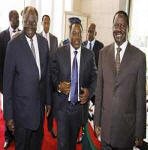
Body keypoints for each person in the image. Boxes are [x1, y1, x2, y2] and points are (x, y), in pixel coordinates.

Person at [94, 10, 146, 150]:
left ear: (128, 29)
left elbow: (140, 99)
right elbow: (99, 91)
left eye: (123, 26)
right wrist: (97, 122)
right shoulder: (103, 54)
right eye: (116, 25)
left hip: (126, 132)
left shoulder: (139, 57)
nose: (119, 29)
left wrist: (139, 133)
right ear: (112, 27)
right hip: (105, 129)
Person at [3, 6, 51, 150]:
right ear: (22, 20)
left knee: (36, 145)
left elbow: (46, 75)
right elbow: (7, 84)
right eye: (27, 21)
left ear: (38, 23)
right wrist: (9, 116)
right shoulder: (13, 45)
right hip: (21, 114)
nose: (30, 25)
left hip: (39, 112)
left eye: (33, 21)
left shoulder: (43, 43)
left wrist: (48, 100)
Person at [50, 21, 97, 150]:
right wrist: (59, 86)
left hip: (79, 109)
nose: (77, 37)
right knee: (63, 144)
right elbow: (52, 75)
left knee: (72, 144)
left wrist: (89, 92)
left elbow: (95, 77)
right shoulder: (59, 52)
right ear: (69, 35)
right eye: (74, 33)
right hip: (62, 108)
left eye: (79, 33)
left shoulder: (89, 55)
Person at [0, 10, 19, 149]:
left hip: (19, 82)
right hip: (6, 82)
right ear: (9, 19)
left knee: (18, 110)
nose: (17, 19)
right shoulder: (2, 36)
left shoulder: (23, 35)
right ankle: (8, 136)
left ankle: (17, 135)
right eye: (15, 17)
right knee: (8, 109)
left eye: (18, 17)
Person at [41, 14, 58, 138]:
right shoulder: (36, 37)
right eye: (44, 23)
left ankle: (50, 127)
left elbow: (56, 59)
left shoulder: (54, 39)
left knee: (51, 103)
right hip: (40, 78)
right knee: (40, 104)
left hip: (51, 78)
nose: (46, 25)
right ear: (41, 23)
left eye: (48, 23)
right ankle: (39, 128)